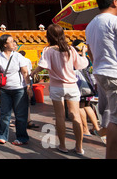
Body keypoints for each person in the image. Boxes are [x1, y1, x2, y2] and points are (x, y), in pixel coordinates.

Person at [31, 24, 88, 155]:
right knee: (75, 115)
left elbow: (42, 66)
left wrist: (33, 73)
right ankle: (79, 147)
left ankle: (62, 145)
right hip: (72, 86)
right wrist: (84, 54)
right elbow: (80, 64)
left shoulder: (48, 50)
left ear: (49, 36)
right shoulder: (70, 49)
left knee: (60, 116)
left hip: (57, 87)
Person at [85, 0, 117, 159]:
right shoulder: (116, 21)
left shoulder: (91, 24)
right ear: (114, 2)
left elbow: (91, 53)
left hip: (101, 72)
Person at [0, 34, 33, 146]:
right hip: (5, 89)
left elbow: (25, 72)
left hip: (19, 88)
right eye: (10, 41)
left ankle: (22, 137)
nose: (13, 43)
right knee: (4, 114)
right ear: (5, 44)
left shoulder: (18, 56)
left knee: (20, 114)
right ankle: (2, 136)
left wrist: (29, 87)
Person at [71, 40, 101, 137]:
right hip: (88, 84)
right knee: (88, 106)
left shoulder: (74, 58)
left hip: (79, 86)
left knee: (80, 107)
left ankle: (85, 129)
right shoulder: (87, 58)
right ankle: (96, 128)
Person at [19, 50, 39, 130]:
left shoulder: (21, 59)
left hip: (23, 81)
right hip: (24, 81)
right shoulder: (27, 60)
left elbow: (26, 71)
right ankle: (27, 120)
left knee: (25, 101)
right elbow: (29, 70)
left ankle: (27, 120)